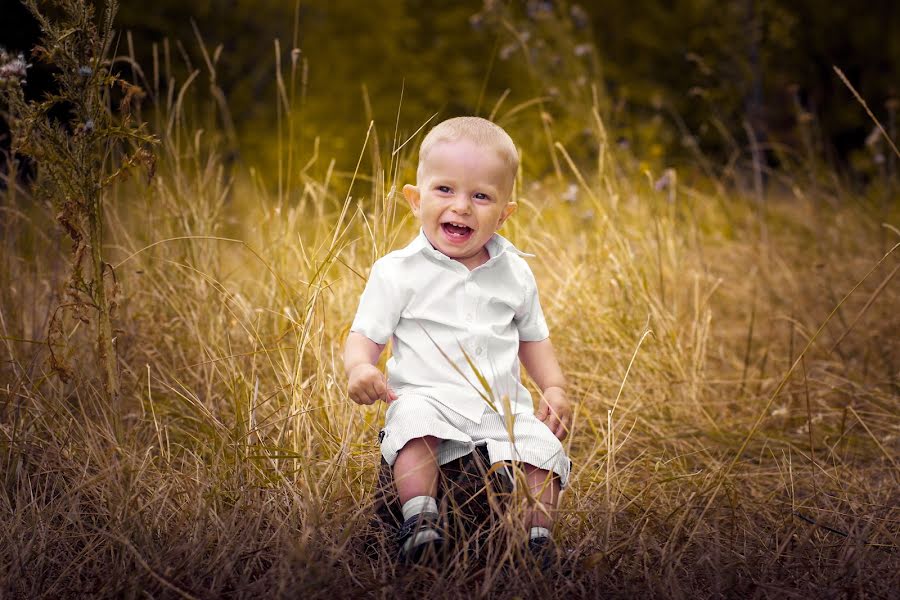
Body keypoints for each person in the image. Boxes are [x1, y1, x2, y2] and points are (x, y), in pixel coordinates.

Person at [344, 116, 571, 564]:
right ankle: (420, 518)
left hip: (500, 411)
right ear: (416, 199)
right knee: (411, 422)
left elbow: (533, 339)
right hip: (430, 399)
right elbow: (365, 335)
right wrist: (360, 368)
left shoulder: (515, 271)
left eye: (481, 196)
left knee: (543, 449)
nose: (462, 206)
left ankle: (536, 539)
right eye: (445, 190)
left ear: (505, 212)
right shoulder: (398, 270)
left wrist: (555, 388)